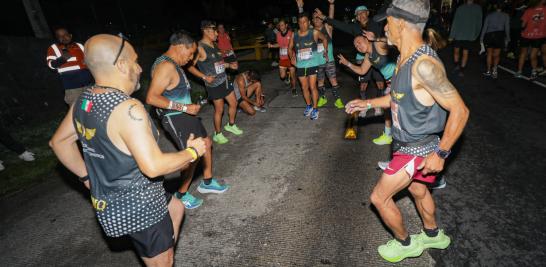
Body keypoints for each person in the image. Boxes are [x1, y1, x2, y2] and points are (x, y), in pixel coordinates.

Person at [49, 34, 207, 266]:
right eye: (135, 60)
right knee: (162, 262)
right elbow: (153, 167)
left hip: (112, 199)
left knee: (176, 207)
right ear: (122, 65)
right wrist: (193, 152)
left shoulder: (84, 100)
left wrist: (86, 177)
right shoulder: (128, 108)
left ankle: (160, 249)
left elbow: (59, 142)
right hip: (140, 206)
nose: (140, 67)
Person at [346, 0, 470, 262]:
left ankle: (404, 244)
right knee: (418, 190)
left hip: (417, 148)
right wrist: (367, 102)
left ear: (401, 23)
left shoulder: (423, 65)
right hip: (408, 143)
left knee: (378, 198)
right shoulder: (404, 56)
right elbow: (398, 98)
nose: (384, 27)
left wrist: (441, 153)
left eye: (388, 22)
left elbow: (460, 111)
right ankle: (433, 234)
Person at [146, 31, 230, 210]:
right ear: (179, 47)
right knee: (192, 154)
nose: (191, 58)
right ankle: (181, 194)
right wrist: (184, 107)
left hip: (186, 115)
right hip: (175, 117)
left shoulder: (173, 63)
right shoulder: (165, 66)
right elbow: (152, 98)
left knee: (206, 143)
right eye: (190, 53)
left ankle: (207, 182)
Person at [319, 3, 386, 109]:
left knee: (380, 83)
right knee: (363, 84)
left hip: (379, 55)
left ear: (367, 13)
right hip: (363, 58)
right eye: (358, 14)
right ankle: (364, 105)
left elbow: (385, 11)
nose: (360, 16)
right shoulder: (355, 27)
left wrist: (376, 38)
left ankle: (379, 105)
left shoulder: (376, 22)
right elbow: (340, 25)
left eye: (362, 13)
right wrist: (325, 18)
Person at [188, 20, 243, 145]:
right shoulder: (200, 47)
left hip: (224, 80)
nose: (217, 34)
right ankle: (218, 134)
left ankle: (231, 125)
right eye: (215, 31)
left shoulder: (215, 45)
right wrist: (204, 77)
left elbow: (219, 63)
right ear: (206, 31)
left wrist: (230, 65)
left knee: (234, 103)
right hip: (213, 85)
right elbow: (190, 67)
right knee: (219, 110)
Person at [338, 35, 395, 146]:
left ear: (366, 39)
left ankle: (403, 137)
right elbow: (362, 70)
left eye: (359, 42)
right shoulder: (368, 56)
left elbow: (393, 41)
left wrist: (375, 38)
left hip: (400, 77)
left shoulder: (378, 45)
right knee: (388, 108)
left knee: (396, 109)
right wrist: (348, 63)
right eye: (356, 46)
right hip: (390, 82)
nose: (358, 46)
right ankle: (388, 135)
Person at [288, 11, 329, 121]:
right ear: (298, 23)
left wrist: (325, 51)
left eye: (305, 22)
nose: (302, 24)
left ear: (308, 22)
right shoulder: (294, 34)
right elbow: (289, 47)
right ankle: (309, 106)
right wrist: (291, 57)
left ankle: (315, 109)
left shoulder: (314, 32)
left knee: (312, 87)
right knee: (304, 87)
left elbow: (325, 38)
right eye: (300, 22)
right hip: (300, 65)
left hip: (312, 64)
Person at [46, 27, 94, 105]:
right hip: (72, 87)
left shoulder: (79, 45)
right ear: (57, 38)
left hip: (87, 85)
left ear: (70, 35)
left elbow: (89, 58)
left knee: (87, 107)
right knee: (75, 108)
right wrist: (62, 59)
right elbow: (50, 65)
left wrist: (87, 62)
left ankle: (85, 116)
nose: (63, 37)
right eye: (60, 36)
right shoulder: (53, 48)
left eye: (65, 35)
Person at [311, 1, 344, 109]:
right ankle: (322, 97)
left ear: (321, 18)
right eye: (314, 18)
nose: (316, 19)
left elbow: (330, 17)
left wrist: (332, 4)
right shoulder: (311, 32)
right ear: (312, 21)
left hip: (329, 60)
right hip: (317, 62)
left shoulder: (328, 28)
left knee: (333, 80)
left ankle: (338, 99)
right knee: (320, 81)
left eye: (318, 17)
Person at [449, 0, 483, 77]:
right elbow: (456, 22)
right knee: (460, 52)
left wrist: (476, 35)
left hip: (466, 35)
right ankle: (458, 67)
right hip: (463, 35)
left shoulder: (477, 8)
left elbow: (479, 23)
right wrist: (452, 35)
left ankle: (460, 69)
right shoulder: (461, 8)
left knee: (462, 52)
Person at [515, 0, 546, 79]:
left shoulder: (529, 10)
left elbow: (523, 24)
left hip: (526, 35)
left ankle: (519, 71)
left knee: (523, 53)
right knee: (533, 55)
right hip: (538, 36)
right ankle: (534, 72)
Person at [268, 19, 298, 96]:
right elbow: (279, 44)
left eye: (282, 25)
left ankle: (294, 89)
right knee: (282, 76)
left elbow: (295, 45)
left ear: (286, 25)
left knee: (293, 76)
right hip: (282, 58)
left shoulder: (291, 33)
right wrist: (272, 46)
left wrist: (295, 55)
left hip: (290, 57)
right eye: (279, 25)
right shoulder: (278, 34)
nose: (280, 27)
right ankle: (287, 76)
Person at [480, 3, 510, 79]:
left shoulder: (489, 15)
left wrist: (481, 38)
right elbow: (507, 28)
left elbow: (484, 28)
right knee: (497, 55)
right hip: (499, 35)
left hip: (489, 35)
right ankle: (495, 71)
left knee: (489, 53)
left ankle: (488, 71)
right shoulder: (506, 16)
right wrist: (508, 38)